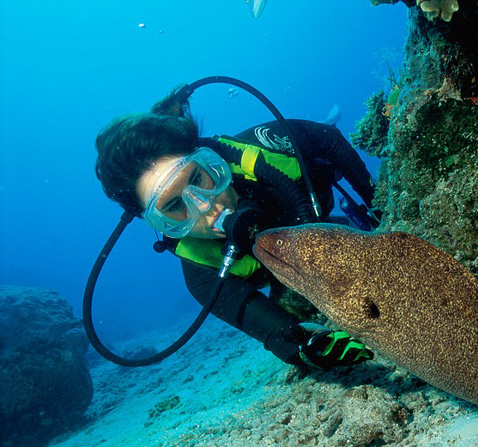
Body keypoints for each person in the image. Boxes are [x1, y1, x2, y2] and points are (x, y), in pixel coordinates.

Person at [94, 87, 376, 370]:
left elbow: (328, 140)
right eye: (173, 206)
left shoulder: (266, 146)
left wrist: (377, 203)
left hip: (315, 192)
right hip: (287, 268)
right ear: (159, 223)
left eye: (197, 178)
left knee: (325, 138)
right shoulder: (203, 276)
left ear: (210, 162)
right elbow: (280, 335)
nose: (205, 207)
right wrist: (309, 348)